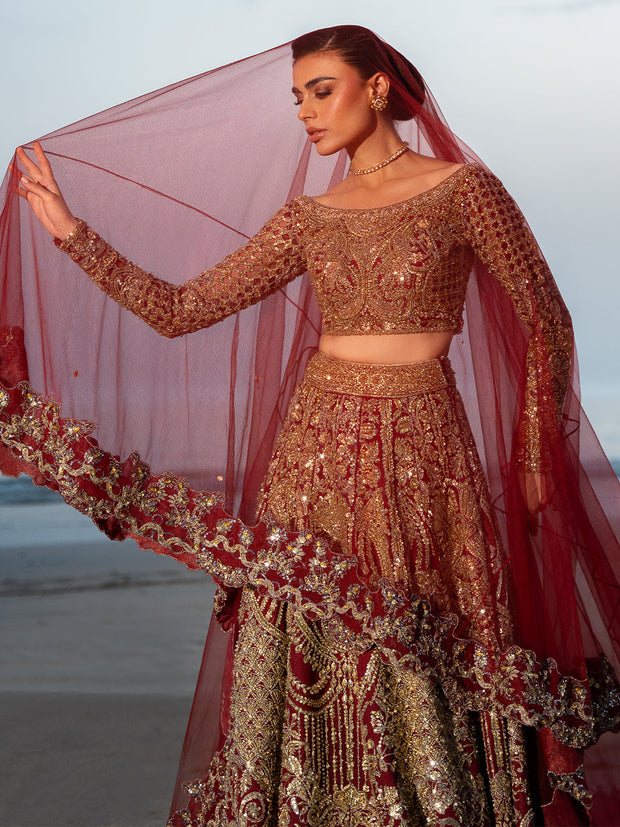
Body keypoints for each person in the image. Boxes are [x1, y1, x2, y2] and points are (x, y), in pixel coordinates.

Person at [2, 24, 620, 826]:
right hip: (315, 447)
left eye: (320, 90)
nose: (305, 111)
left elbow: (546, 317)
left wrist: (537, 448)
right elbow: (184, 309)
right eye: (296, 96)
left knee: (418, 633)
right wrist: (72, 235)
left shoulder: (464, 192)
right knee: (304, 625)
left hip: (422, 446)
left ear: (378, 89)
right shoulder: (309, 218)